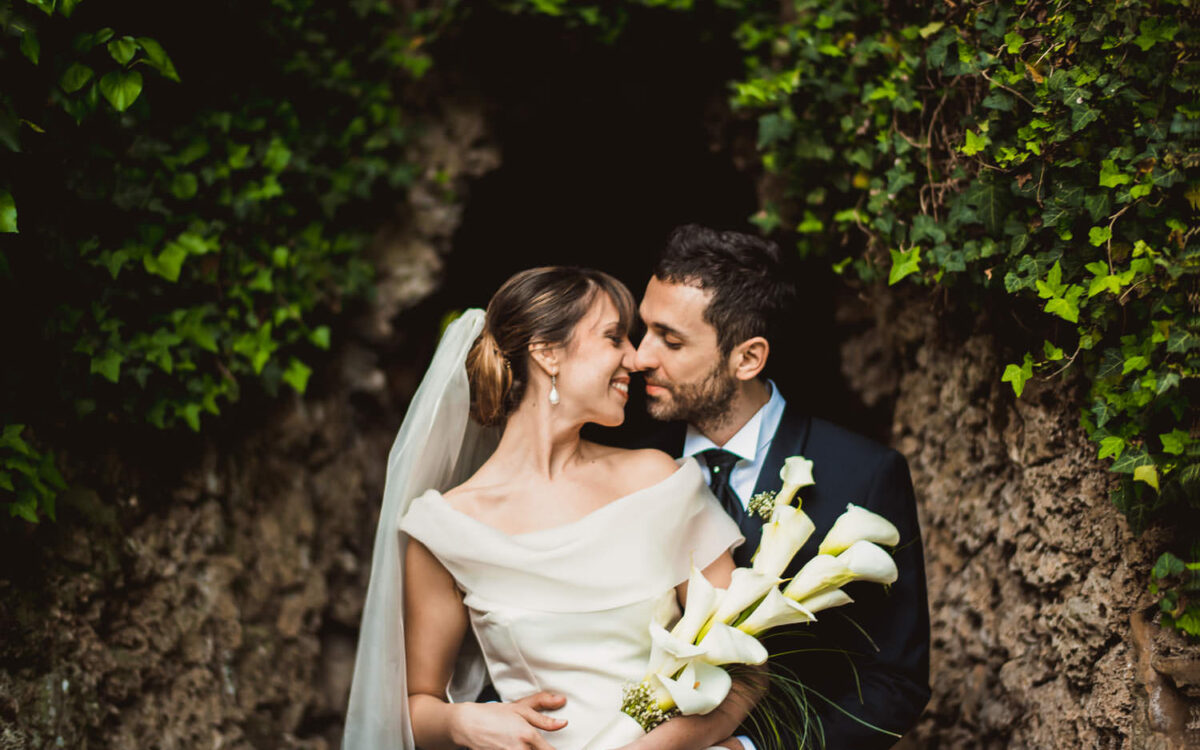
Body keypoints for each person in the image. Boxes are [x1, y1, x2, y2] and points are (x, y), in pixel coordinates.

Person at [342, 267, 764, 750]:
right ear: (546, 353)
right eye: (613, 338)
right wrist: (463, 722)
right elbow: (413, 705)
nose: (636, 357)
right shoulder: (446, 530)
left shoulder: (658, 481)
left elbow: (747, 668)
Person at [632, 225, 931, 749]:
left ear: (747, 358)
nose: (639, 357)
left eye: (670, 340)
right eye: (643, 330)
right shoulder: (628, 462)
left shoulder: (863, 474)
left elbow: (894, 682)